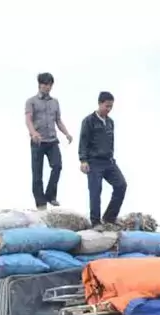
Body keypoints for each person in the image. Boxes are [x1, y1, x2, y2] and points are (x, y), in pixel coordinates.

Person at [78, 91, 127, 226]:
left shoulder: (110, 122)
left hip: (109, 161)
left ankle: (110, 217)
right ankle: (95, 222)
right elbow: (83, 142)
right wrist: (83, 160)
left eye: (111, 106)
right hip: (94, 162)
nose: (109, 109)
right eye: (107, 106)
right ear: (100, 103)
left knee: (121, 185)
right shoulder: (88, 121)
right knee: (95, 190)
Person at [25, 72, 73, 210]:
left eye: (50, 85)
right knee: (37, 174)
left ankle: (51, 195)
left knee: (57, 166)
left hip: (52, 140)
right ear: (39, 84)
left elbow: (58, 120)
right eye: (45, 84)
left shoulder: (55, 102)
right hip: (38, 141)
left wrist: (67, 133)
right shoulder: (31, 101)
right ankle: (41, 203)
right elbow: (28, 120)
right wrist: (33, 133)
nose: (47, 87)